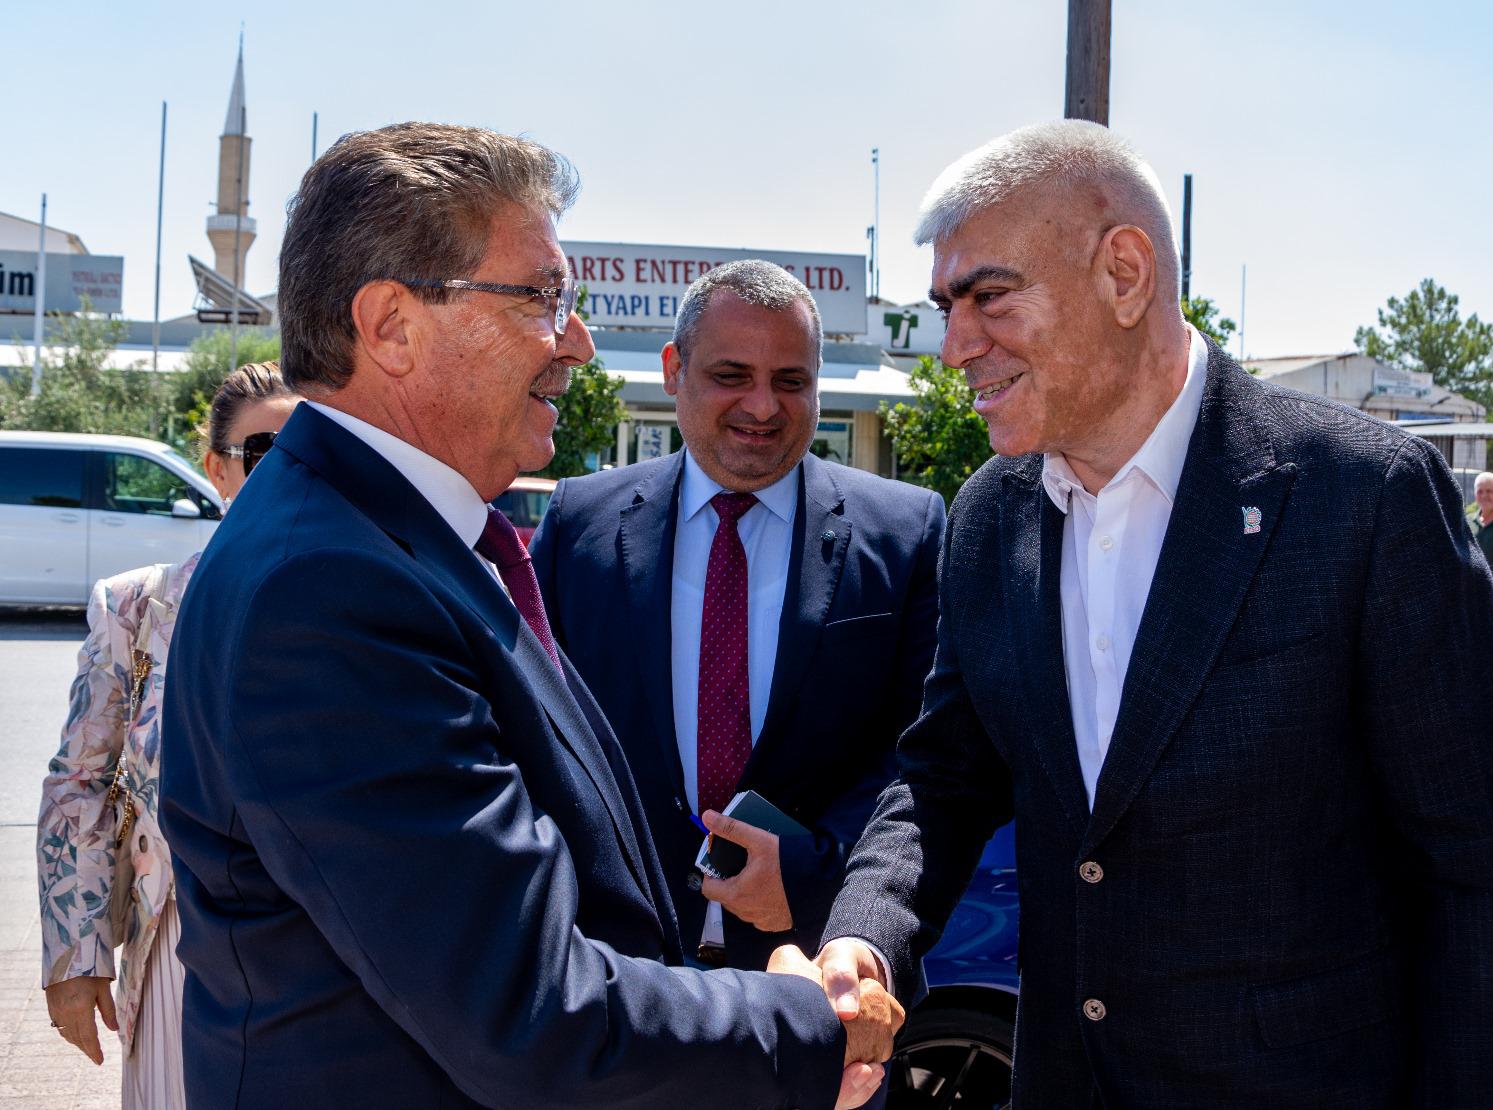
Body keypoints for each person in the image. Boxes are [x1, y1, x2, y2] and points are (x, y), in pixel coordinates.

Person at [156, 122, 899, 1109]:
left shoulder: (390, 540)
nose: (577, 342)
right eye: (543, 299)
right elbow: (527, 1012)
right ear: (391, 325)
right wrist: (804, 1026)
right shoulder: (327, 589)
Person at [816, 120, 1493, 1108]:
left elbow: (1480, 878)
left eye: (989, 296)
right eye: (946, 307)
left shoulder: (1363, 497)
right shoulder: (990, 517)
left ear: (1124, 274)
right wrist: (864, 935)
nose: (955, 346)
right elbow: (944, 777)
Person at [530, 260, 944, 972]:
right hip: (615, 967)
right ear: (673, 370)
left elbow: (929, 758)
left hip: (819, 968)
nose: (763, 406)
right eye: (731, 375)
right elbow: (536, 732)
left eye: (791, 381)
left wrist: (811, 875)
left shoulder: (906, 533)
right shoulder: (577, 524)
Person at [37, 362, 300, 1108]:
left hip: (326, 962)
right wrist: (76, 953)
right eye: (264, 452)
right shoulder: (136, 608)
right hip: (185, 953)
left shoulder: (363, 601)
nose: (290, 470)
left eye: (310, 449)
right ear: (217, 469)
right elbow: (80, 779)